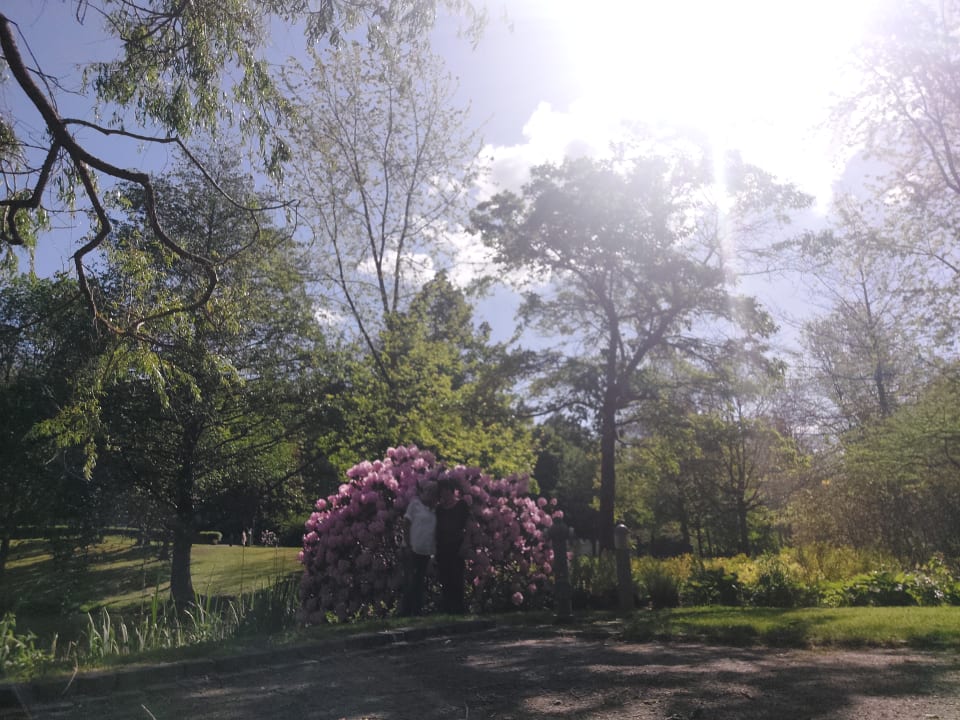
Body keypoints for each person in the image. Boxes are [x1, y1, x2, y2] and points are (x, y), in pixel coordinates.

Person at [400, 480, 437, 616]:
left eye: (433, 492)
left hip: (425, 552)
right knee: (410, 581)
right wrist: (408, 545)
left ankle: (416, 612)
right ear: (422, 491)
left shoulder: (435, 510)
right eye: (427, 491)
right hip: (411, 550)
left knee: (419, 582)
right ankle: (405, 612)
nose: (430, 494)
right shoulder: (415, 504)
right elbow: (406, 523)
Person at [435, 478, 469, 614]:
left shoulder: (461, 505)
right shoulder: (439, 509)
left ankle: (459, 608)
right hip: (442, 547)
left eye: (448, 490)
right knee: (445, 578)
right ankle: (448, 609)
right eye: (443, 491)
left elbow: (468, 526)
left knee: (457, 578)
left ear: (453, 491)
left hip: (457, 545)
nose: (446, 494)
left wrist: (465, 544)